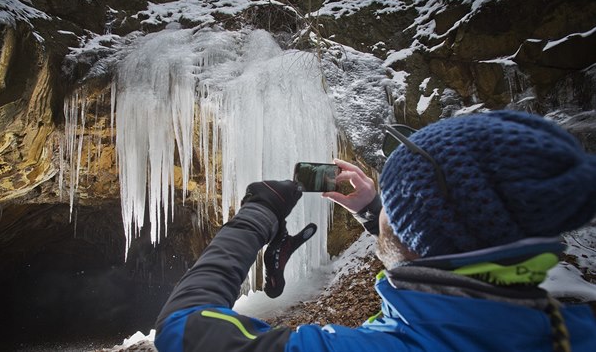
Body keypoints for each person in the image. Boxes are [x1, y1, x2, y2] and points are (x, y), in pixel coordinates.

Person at [154, 111, 596, 352]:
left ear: (415, 235)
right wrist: (373, 208)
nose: (385, 213)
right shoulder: (574, 326)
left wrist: (256, 216)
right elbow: (448, 231)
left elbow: (182, 329)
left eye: (394, 206)